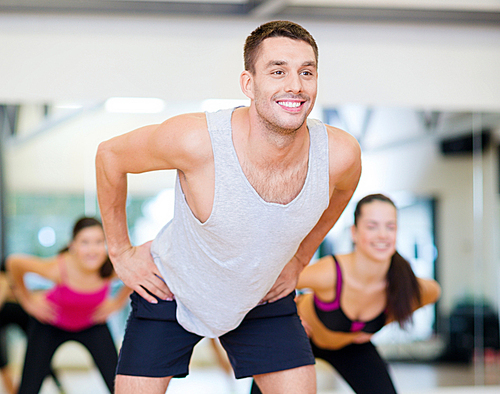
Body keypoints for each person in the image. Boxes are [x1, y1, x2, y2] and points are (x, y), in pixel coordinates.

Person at [95, 20, 361, 394]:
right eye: (278, 71)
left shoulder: (340, 154)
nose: (295, 86)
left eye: (306, 72)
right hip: (172, 289)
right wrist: (120, 252)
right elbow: (110, 156)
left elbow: (342, 193)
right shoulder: (196, 140)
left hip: (263, 293)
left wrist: (300, 259)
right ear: (248, 84)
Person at [251, 193, 441, 394]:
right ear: (354, 233)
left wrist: (384, 320)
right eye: (372, 226)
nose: (383, 235)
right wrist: (287, 318)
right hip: (299, 339)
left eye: (390, 227)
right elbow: (267, 285)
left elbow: (433, 292)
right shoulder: (332, 273)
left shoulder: (399, 281)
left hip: (348, 345)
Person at [6, 217, 132, 394]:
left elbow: (135, 276)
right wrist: (27, 302)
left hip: (91, 324)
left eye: (98, 242)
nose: (92, 250)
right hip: (50, 325)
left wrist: (117, 303)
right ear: (72, 245)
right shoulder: (57, 268)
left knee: (119, 385)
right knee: (28, 389)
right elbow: (14, 263)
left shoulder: (109, 270)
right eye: (85, 242)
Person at [0, 270, 63, 394]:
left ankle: (57, 384)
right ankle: (13, 390)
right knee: (2, 358)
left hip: (19, 311)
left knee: (39, 352)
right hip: (8, 312)